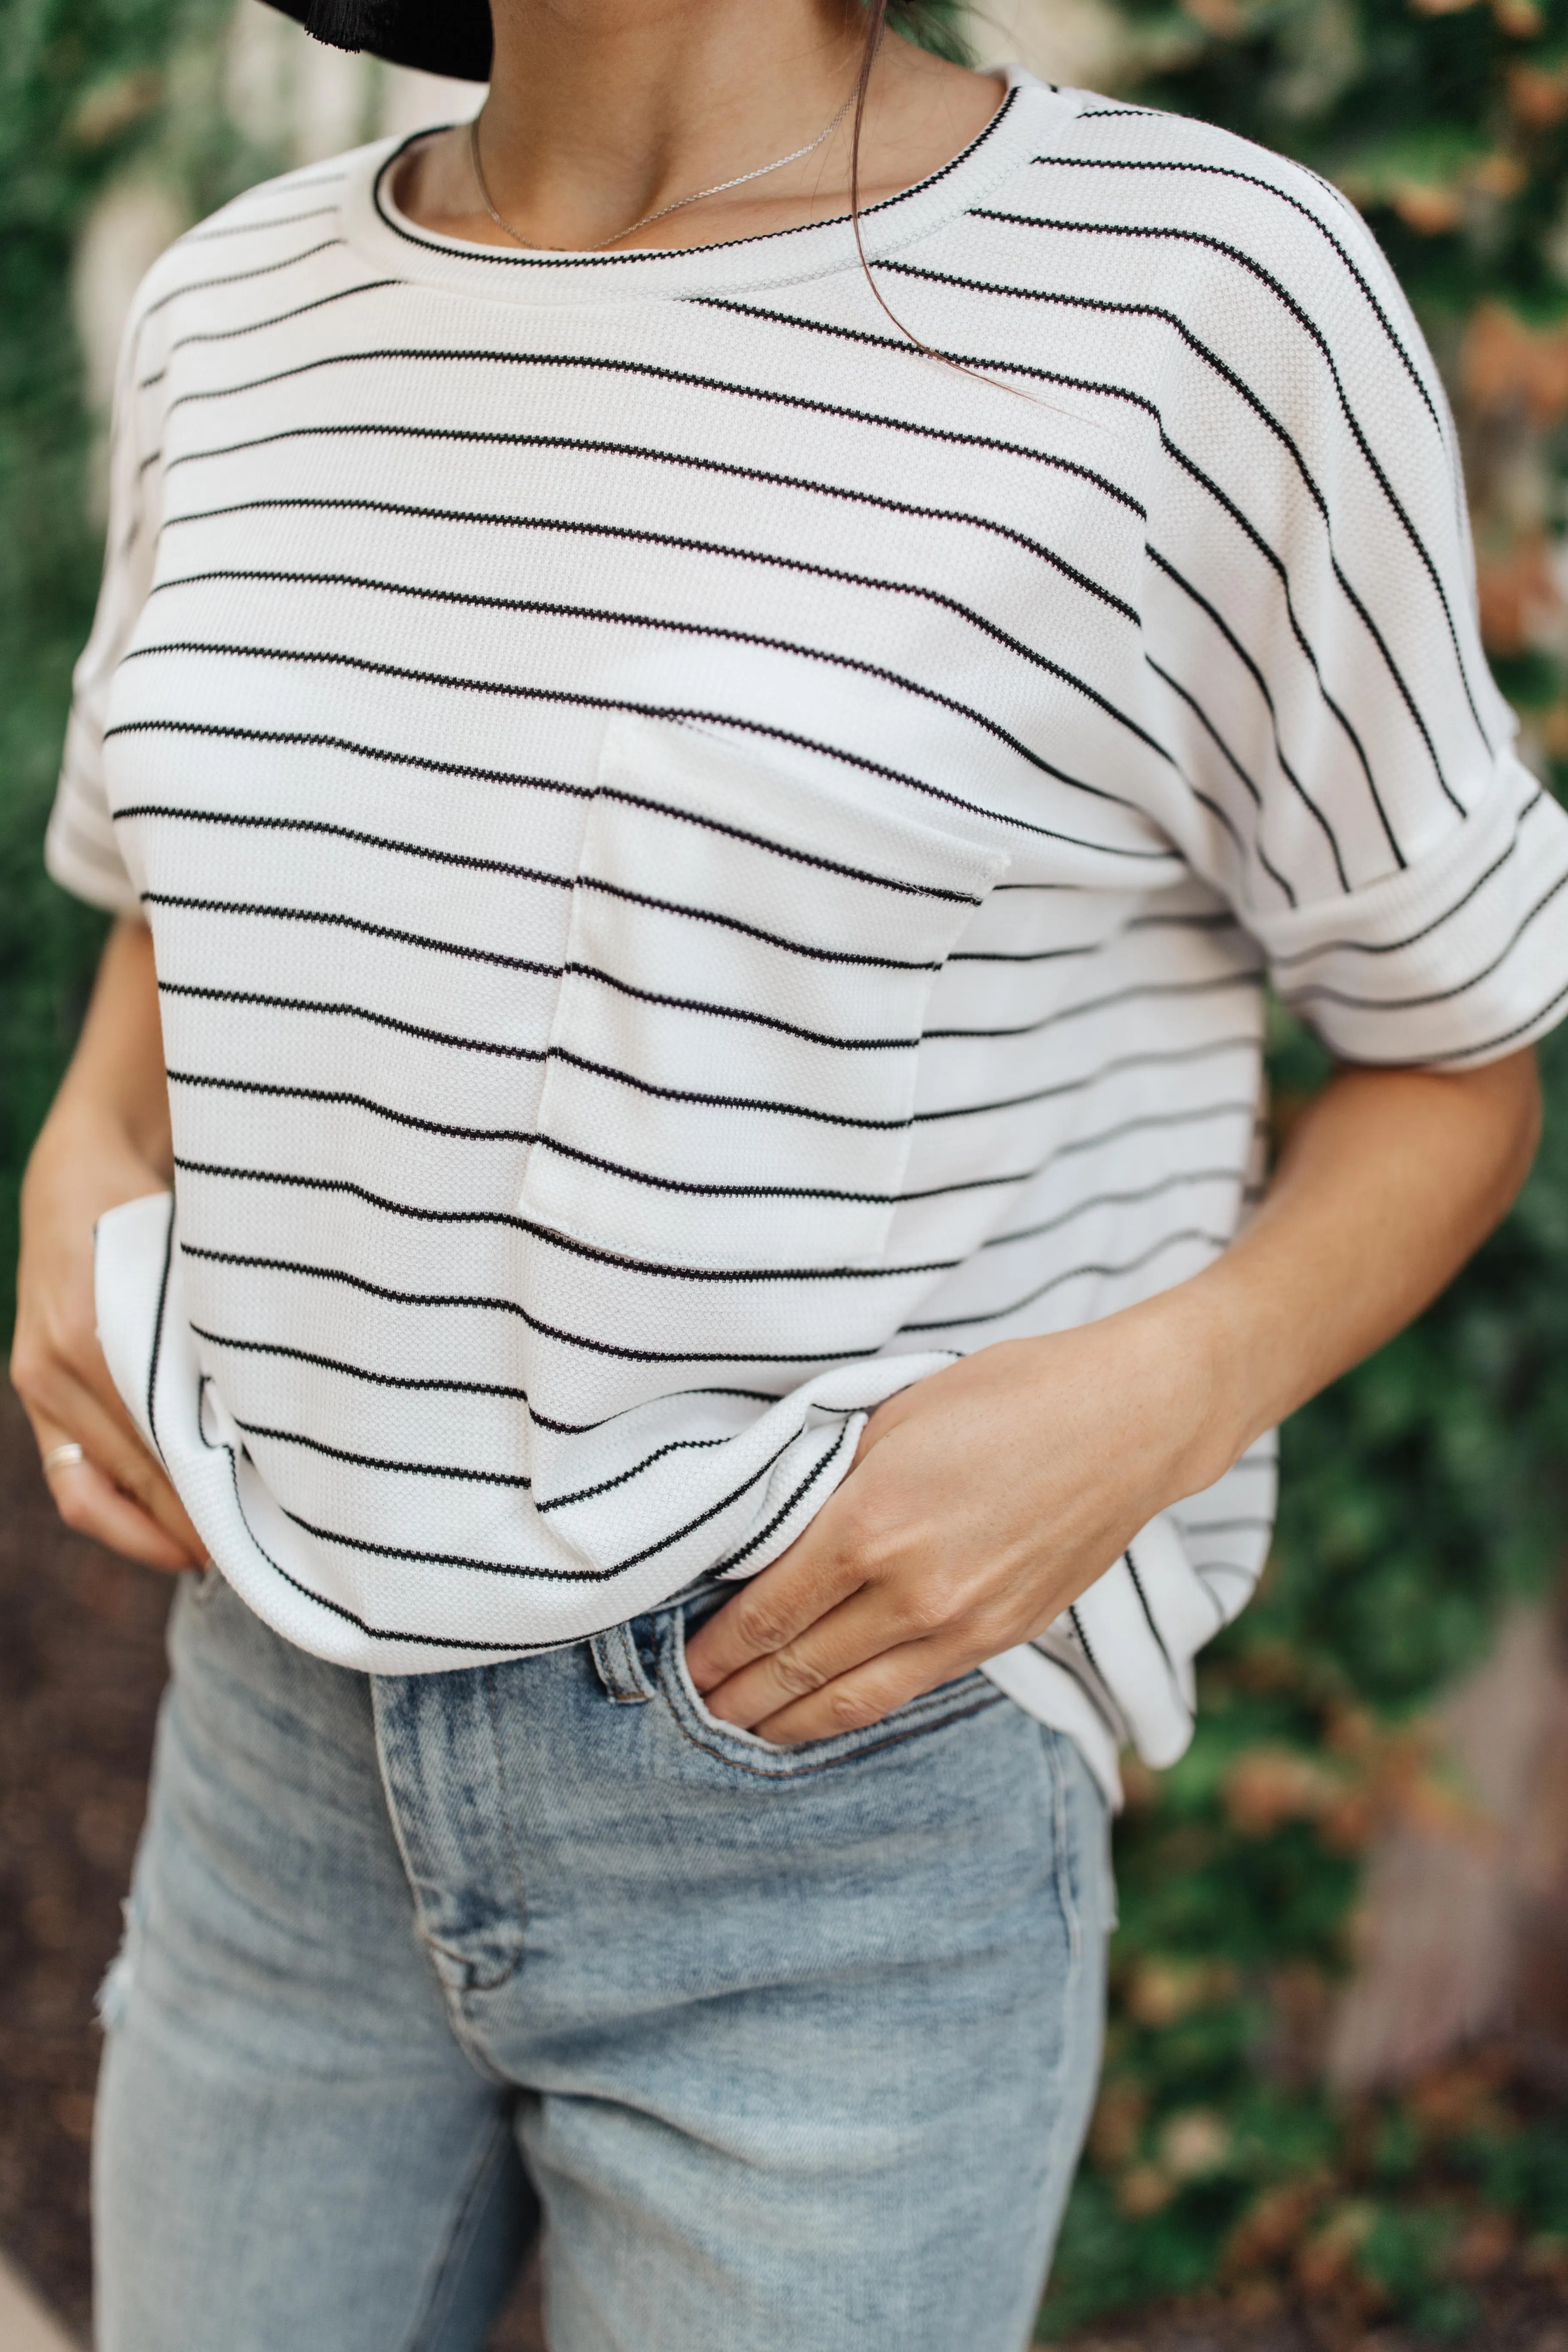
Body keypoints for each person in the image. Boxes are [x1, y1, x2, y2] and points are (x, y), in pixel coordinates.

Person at [13, 0, 1568, 2342]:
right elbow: (196, 881)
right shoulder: (235, 302)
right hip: (275, 1738)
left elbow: (1458, 1061)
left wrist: (1143, 1412)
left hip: (845, 1801)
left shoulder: (1192, 300)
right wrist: (81, 1155)